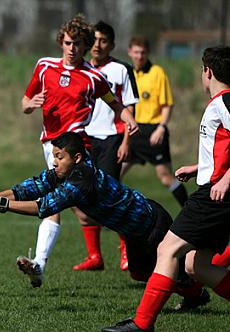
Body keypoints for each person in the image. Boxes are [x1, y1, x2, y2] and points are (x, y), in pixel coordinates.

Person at [0, 131, 208, 307]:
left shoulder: (83, 182)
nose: (55, 162)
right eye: (53, 157)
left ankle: (196, 291)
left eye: (59, 157)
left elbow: (43, 206)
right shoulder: (63, 172)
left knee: (188, 267)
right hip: (134, 230)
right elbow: (29, 189)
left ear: (78, 158)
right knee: (141, 273)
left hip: (152, 224)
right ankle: (193, 291)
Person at [102, 46, 230, 332]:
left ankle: (142, 325)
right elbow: (225, 150)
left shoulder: (225, 103)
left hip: (215, 196)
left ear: (207, 72)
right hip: (215, 189)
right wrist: (198, 168)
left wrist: (223, 181)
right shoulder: (222, 103)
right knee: (196, 266)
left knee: (168, 249)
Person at [20, 15, 138, 286]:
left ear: (86, 46)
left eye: (79, 44)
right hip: (50, 144)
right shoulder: (44, 67)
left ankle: (39, 263)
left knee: (55, 202)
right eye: (68, 43)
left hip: (74, 148)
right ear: (61, 42)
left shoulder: (92, 77)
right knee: (89, 208)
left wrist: (128, 118)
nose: (73, 49)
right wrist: (30, 104)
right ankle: (134, 238)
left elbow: (115, 104)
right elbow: (25, 101)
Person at [75, 21, 139, 271]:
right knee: (79, 195)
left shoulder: (121, 69)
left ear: (112, 45)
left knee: (108, 196)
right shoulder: (82, 69)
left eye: (104, 41)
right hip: (84, 138)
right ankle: (95, 257)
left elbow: (130, 107)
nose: (98, 45)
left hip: (111, 139)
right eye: (95, 40)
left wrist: (126, 141)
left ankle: (126, 249)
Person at [122, 36, 188, 207]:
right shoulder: (126, 73)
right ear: (130, 52)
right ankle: (111, 216)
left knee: (166, 177)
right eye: (136, 52)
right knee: (114, 174)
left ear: (148, 53)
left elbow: (167, 104)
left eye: (142, 52)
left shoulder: (157, 73)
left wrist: (161, 128)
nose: (139, 56)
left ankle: (190, 210)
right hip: (133, 131)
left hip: (153, 131)